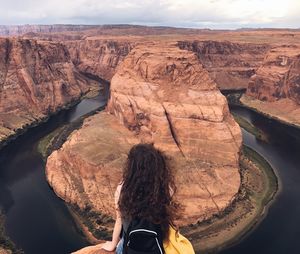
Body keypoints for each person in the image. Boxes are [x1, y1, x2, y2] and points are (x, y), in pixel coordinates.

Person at [101, 143, 180, 253]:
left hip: (129, 246)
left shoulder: (122, 189)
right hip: (157, 244)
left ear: (132, 166)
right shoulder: (166, 188)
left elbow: (119, 220)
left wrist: (113, 244)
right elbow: (169, 218)